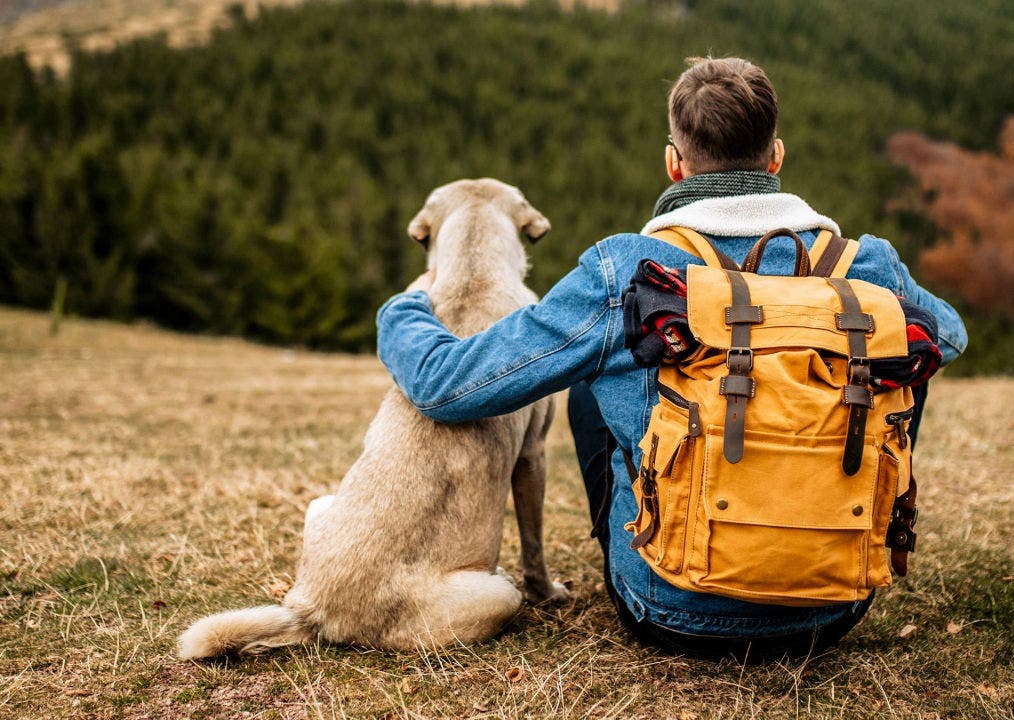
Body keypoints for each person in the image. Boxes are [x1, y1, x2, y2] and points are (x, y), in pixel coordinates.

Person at [377, 57, 967, 661]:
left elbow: (445, 386)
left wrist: (404, 308)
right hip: (834, 605)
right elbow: (948, 337)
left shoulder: (629, 270)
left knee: (589, 381)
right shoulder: (867, 266)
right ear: (777, 157)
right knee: (893, 357)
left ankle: (649, 539)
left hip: (669, 609)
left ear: (674, 163)